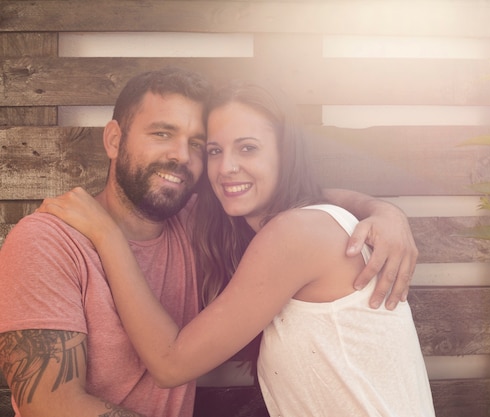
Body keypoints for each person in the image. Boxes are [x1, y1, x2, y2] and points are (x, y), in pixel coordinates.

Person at [0, 69, 418, 417]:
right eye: (162, 133)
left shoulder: (203, 224)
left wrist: (384, 213)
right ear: (113, 140)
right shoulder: (48, 242)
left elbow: (302, 205)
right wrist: (380, 211)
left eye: (197, 144)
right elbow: (49, 406)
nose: (183, 156)